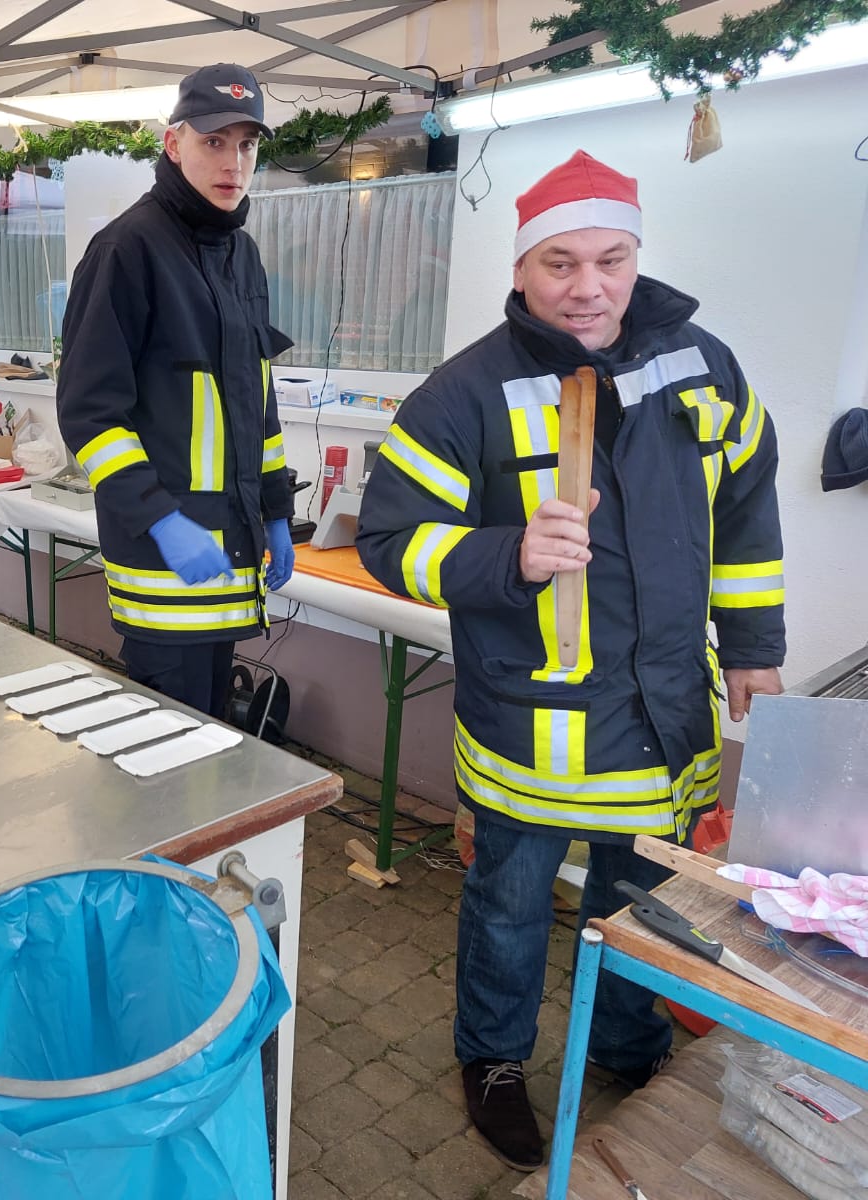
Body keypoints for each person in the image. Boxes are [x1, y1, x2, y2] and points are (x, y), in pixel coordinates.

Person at [356, 151, 785, 1171]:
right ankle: (494, 1061)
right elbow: (389, 539)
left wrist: (753, 645)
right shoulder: (463, 392)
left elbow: (744, 508)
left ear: (635, 257)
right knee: (509, 907)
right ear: (521, 268)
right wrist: (506, 554)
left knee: (637, 904)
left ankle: (627, 1047)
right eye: (560, 263)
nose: (587, 287)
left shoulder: (704, 366)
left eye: (610, 260)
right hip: (532, 729)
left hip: (664, 717)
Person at [56, 64, 296, 716]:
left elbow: (256, 400)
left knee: (213, 740)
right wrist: (163, 521)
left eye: (246, 144)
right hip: (163, 568)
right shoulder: (126, 249)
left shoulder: (241, 256)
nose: (233, 162)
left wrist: (276, 510)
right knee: (170, 751)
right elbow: (89, 413)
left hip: (231, 557)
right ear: (173, 143)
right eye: (213, 141)